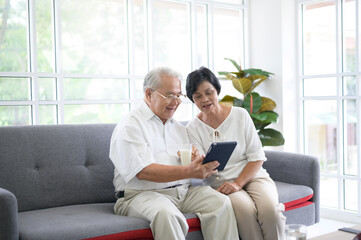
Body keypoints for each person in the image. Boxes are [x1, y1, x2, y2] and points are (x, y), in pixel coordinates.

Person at [109, 67, 239, 240]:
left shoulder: (178, 128)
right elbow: (143, 171)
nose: (176, 101)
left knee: (220, 203)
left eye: (179, 95)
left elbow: (190, 166)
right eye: (169, 95)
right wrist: (189, 171)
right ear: (149, 94)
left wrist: (198, 162)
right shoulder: (131, 125)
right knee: (167, 214)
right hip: (140, 195)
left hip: (183, 193)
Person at [185, 66, 286, 240]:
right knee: (245, 212)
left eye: (209, 92)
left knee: (271, 212)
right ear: (192, 99)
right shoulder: (192, 128)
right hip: (222, 183)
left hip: (254, 176)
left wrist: (239, 183)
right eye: (198, 96)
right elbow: (204, 168)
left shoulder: (240, 115)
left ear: (217, 90)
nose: (205, 99)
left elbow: (257, 157)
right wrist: (198, 161)